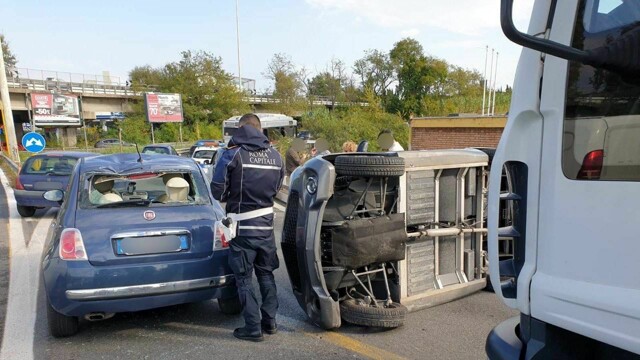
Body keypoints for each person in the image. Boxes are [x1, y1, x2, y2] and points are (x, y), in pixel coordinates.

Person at [211, 113, 284, 342]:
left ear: (240, 128)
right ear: (260, 129)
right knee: (266, 274)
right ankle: (270, 322)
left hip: (242, 229)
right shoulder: (276, 156)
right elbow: (278, 188)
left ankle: (253, 328)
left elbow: (217, 192)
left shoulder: (232, 154)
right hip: (266, 228)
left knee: (244, 279)